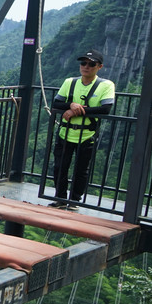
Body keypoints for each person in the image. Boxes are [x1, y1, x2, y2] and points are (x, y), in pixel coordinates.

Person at [50, 49, 115, 209]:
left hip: (87, 134)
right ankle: (60, 198)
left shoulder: (106, 85)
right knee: (59, 167)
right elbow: (56, 104)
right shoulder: (70, 82)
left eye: (91, 64)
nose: (86, 67)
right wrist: (70, 105)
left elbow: (105, 109)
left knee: (81, 170)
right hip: (66, 132)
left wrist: (75, 111)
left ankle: (74, 200)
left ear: (99, 67)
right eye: (83, 63)